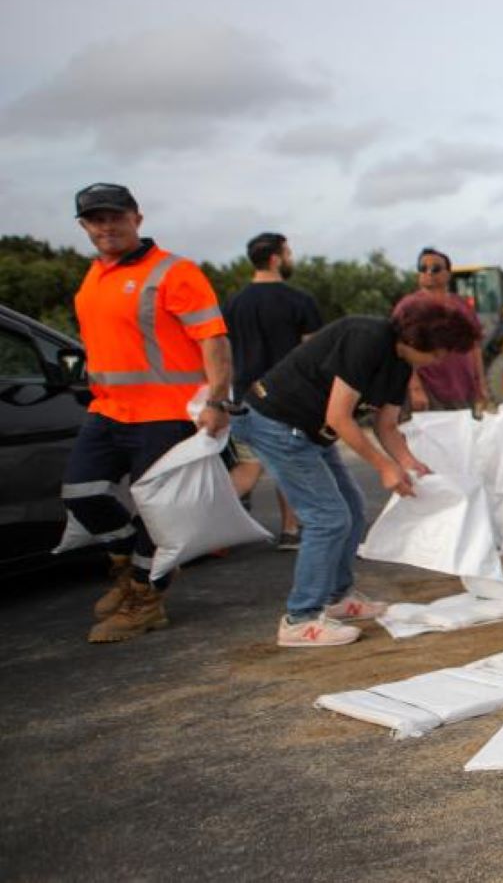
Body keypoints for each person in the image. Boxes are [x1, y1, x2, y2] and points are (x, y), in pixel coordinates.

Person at [233, 297, 479, 647]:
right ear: (417, 340)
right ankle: (300, 619)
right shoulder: (366, 338)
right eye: (439, 353)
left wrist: (408, 462)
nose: (439, 361)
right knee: (327, 517)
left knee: (351, 506)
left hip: (309, 430)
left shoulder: (400, 364)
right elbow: (339, 416)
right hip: (277, 422)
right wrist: (383, 466)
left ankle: (336, 597)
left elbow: (387, 425)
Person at [61, 183, 233, 644]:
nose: (107, 226)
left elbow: (213, 340)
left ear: (137, 218)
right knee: (80, 492)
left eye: (115, 216)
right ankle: (126, 564)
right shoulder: (94, 276)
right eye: (96, 219)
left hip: (165, 414)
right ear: (84, 226)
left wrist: (217, 401)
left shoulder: (174, 272)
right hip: (108, 411)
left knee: (160, 517)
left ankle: (145, 599)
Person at [223, 231, 322, 549]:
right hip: (286, 400)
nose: (291, 258)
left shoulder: (234, 304)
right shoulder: (299, 301)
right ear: (276, 258)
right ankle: (290, 530)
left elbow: (223, 351)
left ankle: (194, 524)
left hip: (243, 399)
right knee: (288, 464)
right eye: (288, 252)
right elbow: (312, 353)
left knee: (248, 468)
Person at [394, 247, 489, 415]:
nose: (429, 272)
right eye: (423, 268)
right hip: (429, 393)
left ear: (448, 274)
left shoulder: (461, 305)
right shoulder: (408, 307)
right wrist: (415, 388)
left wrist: (480, 385)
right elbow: (398, 350)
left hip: (462, 391)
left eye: (436, 268)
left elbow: (475, 347)